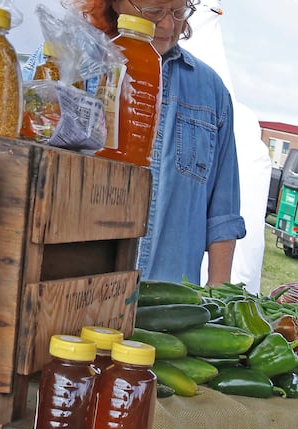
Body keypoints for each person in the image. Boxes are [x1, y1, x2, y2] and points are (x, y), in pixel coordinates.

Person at [73, 0, 246, 285]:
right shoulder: (70, 65)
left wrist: (220, 298)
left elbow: (223, 216)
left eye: (179, 12)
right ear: (114, 4)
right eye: (154, 12)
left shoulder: (211, 91)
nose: (167, 25)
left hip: (167, 310)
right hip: (78, 292)